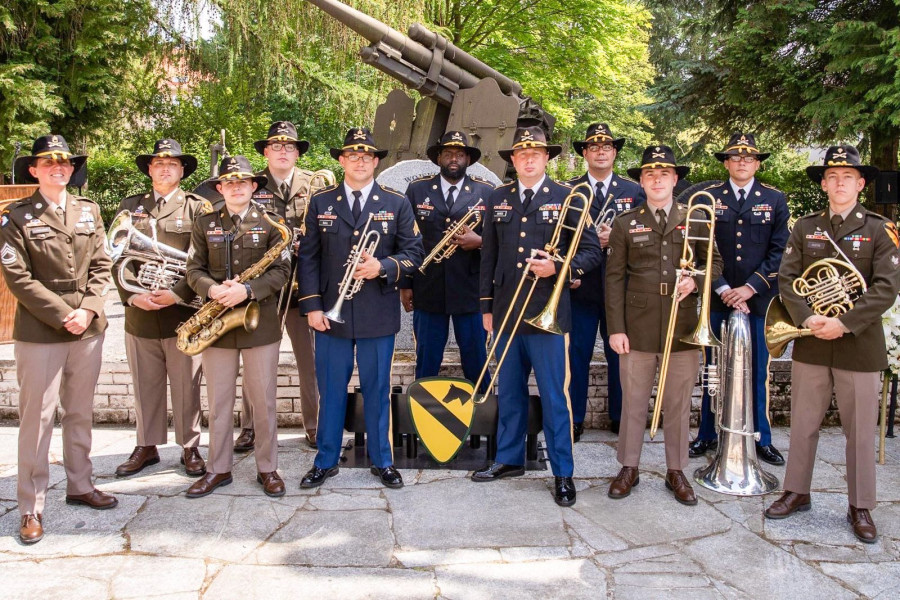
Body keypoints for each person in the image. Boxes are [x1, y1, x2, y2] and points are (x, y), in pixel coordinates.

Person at [765, 145, 900, 543]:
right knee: (803, 423)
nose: (840, 183)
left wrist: (842, 322)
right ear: (824, 184)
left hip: (858, 342)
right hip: (811, 339)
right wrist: (807, 317)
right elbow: (788, 279)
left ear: (860, 184)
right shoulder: (805, 227)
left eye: (848, 177)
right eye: (832, 177)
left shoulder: (879, 228)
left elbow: (886, 288)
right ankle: (796, 492)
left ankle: (860, 505)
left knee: (858, 430)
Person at [472, 126, 602, 507]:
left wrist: (558, 266)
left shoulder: (569, 197)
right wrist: (486, 309)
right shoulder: (497, 198)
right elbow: (488, 259)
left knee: (554, 396)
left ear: (548, 158)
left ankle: (563, 471)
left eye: (537, 153)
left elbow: (592, 253)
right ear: (513, 160)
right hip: (506, 314)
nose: (529, 158)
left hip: (549, 317)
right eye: (521, 153)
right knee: (509, 392)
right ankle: (509, 459)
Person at [1, 134, 118, 544]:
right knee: (37, 419)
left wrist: (87, 309)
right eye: (48, 162)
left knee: (80, 412)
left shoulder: (89, 210)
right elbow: (17, 277)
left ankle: (81, 485)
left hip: (87, 328)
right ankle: (31, 507)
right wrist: (62, 313)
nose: (58, 167)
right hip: (41, 332)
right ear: (33, 170)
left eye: (65, 162)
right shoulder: (16, 216)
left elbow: (103, 265)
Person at [298, 127, 423, 489]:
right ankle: (325, 459)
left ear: (376, 161)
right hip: (329, 317)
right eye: (352, 155)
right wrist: (311, 307)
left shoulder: (395, 202)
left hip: (376, 313)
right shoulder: (321, 202)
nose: (360, 161)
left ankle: (383, 460)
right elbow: (308, 259)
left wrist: (381, 267)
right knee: (331, 389)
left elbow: (414, 253)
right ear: (341, 160)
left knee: (377, 389)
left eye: (367, 156)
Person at [605, 145, 723, 506]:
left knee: (677, 402)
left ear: (675, 179)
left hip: (683, 325)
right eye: (650, 175)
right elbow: (614, 278)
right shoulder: (627, 222)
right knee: (634, 402)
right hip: (637, 324)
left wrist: (697, 281)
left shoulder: (698, 217)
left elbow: (715, 265)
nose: (657, 180)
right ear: (641, 181)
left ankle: (677, 470)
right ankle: (629, 466)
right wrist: (616, 328)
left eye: (664, 174)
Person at [184, 155, 291, 499]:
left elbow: (281, 273)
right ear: (219, 187)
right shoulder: (205, 222)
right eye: (229, 182)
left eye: (242, 182)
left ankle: (268, 468)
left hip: (260, 321)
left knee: (263, 401)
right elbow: (193, 270)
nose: (236, 187)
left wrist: (246, 290)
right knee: (218, 401)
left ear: (253, 186)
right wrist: (212, 290)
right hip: (217, 320)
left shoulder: (274, 224)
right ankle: (218, 469)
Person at [689, 133, 790, 466]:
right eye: (735, 158)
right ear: (726, 163)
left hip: (759, 301)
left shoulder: (774, 199)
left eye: (749, 158)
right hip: (717, 299)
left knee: (757, 372)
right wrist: (722, 288)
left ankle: (760, 436)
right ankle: (707, 433)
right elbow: (698, 248)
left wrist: (749, 289)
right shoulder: (708, 198)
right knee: (713, 371)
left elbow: (780, 252)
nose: (742, 162)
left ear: (757, 163)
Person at [112, 139, 209, 479]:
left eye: (172, 163)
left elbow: (203, 260)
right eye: (158, 163)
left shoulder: (197, 207)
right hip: (140, 312)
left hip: (182, 313)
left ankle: (190, 445)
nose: (165, 167)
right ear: (150, 169)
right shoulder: (131, 207)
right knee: (145, 383)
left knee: (187, 384)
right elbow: (115, 257)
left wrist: (177, 293)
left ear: (182, 171)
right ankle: (147, 445)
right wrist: (130, 296)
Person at [231, 121, 326, 452]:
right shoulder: (250, 185)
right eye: (276, 146)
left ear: (297, 152)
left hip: (303, 289)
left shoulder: (315, 184)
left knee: (310, 363)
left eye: (289, 147)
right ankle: (250, 428)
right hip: (264, 289)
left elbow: (326, 229)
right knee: (256, 363)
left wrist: (310, 243)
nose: (283, 152)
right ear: (266, 152)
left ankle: (314, 427)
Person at [567, 123, 644, 439]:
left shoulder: (633, 191)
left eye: (607, 147)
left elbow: (646, 236)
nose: (600, 151)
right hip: (581, 287)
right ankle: (574, 418)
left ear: (614, 153)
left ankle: (620, 417)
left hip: (621, 288)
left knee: (621, 356)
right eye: (594, 147)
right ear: (585, 153)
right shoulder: (569, 190)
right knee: (577, 355)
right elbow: (558, 238)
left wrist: (618, 238)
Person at [401, 131, 494, 386]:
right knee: (427, 359)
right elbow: (408, 241)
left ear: (468, 159)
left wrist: (480, 242)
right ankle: (421, 416)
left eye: (460, 154)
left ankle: (482, 418)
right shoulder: (417, 189)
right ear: (439, 157)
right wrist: (405, 284)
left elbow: (500, 240)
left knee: (476, 357)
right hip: (428, 287)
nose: (454, 159)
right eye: (449, 153)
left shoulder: (486, 193)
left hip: (471, 290)